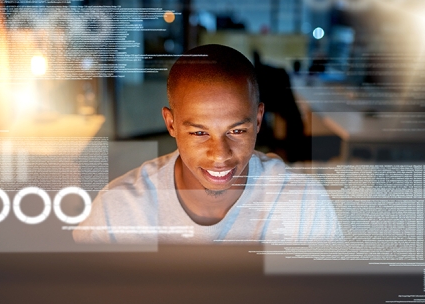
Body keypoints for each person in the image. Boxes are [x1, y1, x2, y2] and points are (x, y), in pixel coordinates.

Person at [73, 44, 342, 244]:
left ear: (258, 120)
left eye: (236, 130)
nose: (219, 155)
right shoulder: (118, 211)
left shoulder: (305, 205)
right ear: (171, 124)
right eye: (200, 133)